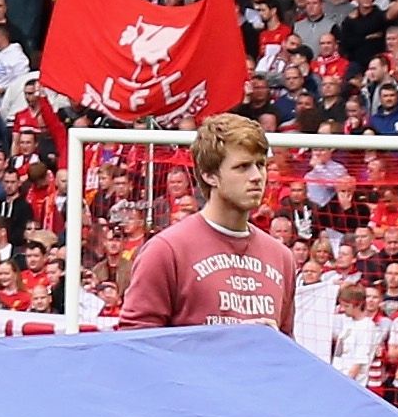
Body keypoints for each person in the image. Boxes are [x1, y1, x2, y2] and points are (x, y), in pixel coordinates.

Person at [111, 113, 300, 331]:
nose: (257, 176)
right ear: (210, 175)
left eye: (260, 164)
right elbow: (137, 345)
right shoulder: (166, 251)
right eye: (242, 167)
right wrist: (224, 341)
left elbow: (285, 349)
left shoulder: (282, 257)